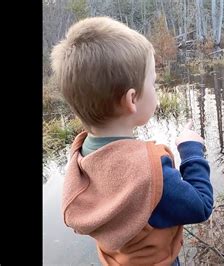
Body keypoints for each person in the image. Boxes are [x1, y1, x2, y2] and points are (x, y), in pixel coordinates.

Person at [51, 16, 213, 265]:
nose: (156, 91)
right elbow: (201, 206)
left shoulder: (79, 160)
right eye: (154, 84)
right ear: (132, 100)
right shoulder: (152, 173)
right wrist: (191, 150)